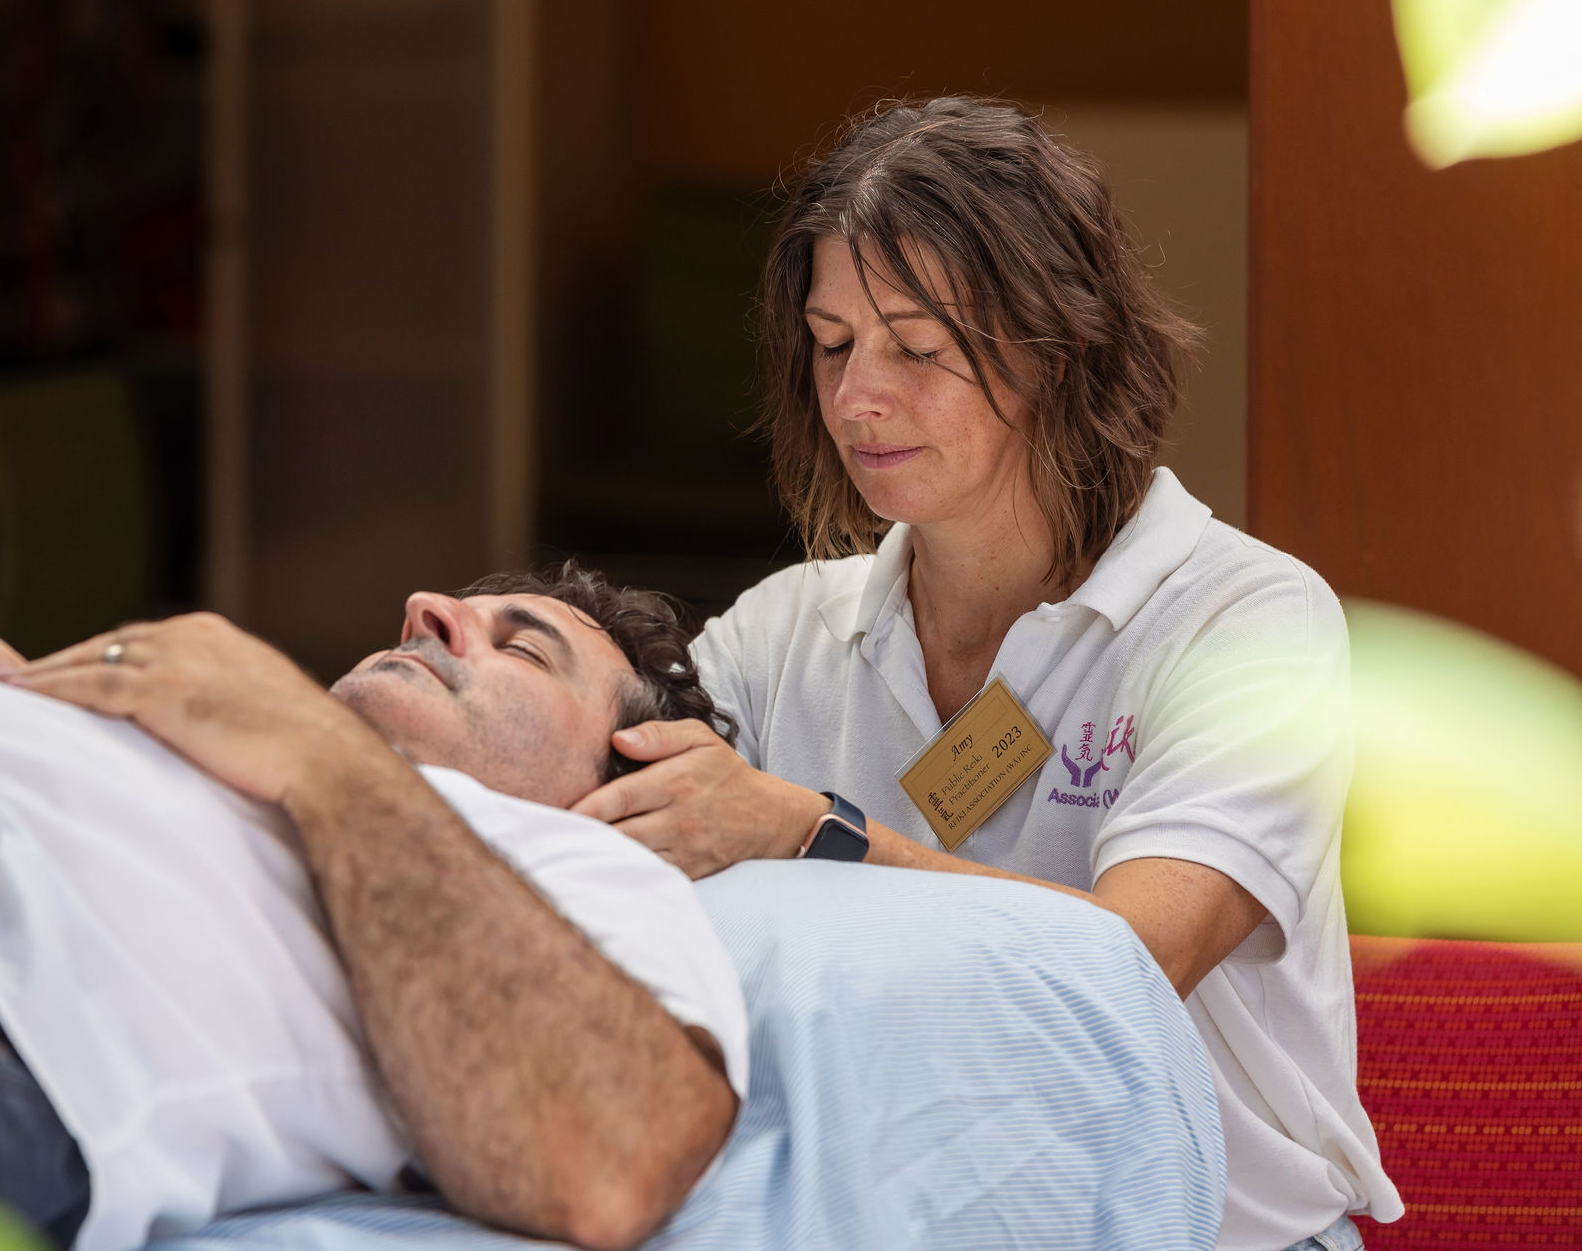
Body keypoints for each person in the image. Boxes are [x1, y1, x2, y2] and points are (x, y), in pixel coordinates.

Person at [569, 97, 1402, 1251]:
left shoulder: (1243, 618)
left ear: (1060, 354)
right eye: (829, 344)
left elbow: (1131, 956)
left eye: (914, 348)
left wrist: (814, 830)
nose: (856, 397)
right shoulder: (780, 634)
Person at [0, 566, 745, 1251]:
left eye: (518, 647)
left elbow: (616, 1156)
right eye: (451, 611)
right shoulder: (211, 741)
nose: (431, 610)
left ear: (623, 767)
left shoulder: (586, 871)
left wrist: (320, 757)